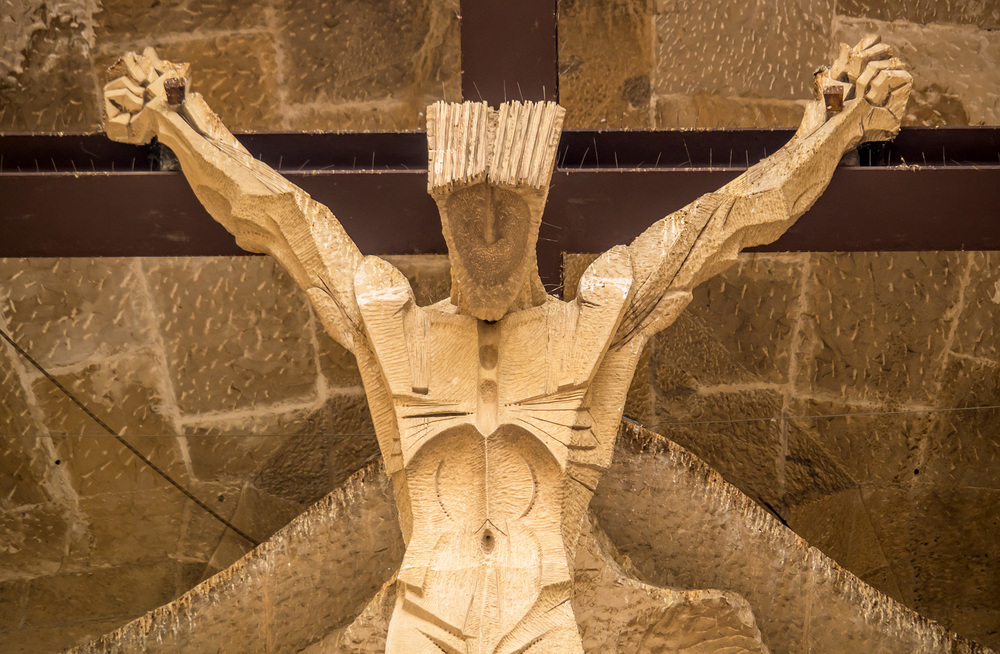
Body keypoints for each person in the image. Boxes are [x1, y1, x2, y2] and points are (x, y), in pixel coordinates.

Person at [103, 37, 910, 653]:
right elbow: (278, 219)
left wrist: (831, 128)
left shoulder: (590, 324)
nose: (484, 241)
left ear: (536, 219)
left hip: (541, 612)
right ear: (443, 225)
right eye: (465, 222)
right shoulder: (396, 324)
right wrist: (177, 119)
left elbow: (723, 225)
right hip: (425, 613)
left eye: (505, 221)